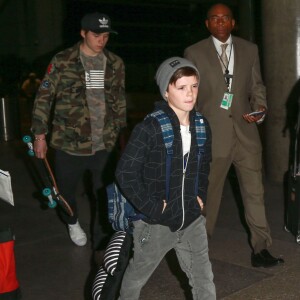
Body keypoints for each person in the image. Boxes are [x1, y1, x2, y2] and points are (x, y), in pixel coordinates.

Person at [184, 3, 284, 268]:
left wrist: (260, 109)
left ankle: (261, 248)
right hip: (212, 136)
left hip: (246, 133)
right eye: (214, 19)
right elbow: (188, 96)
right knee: (208, 196)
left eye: (224, 18)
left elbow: (256, 85)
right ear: (207, 24)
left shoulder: (249, 50)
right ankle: (198, 249)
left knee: (255, 194)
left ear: (233, 22)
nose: (219, 22)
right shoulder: (194, 52)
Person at [116, 57, 216, 300]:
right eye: (181, 87)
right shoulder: (149, 128)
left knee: (203, 280)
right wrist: (151, 207)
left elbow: (204, 166)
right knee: (136, 277)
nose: (190, 94)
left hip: (192, 219)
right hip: (156, 224)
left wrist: (200, 196)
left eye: (194, 86)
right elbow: (125, 172)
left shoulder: (201, 124)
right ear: (166, 91)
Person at [31, 12, 126, 248]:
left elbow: (119, 101)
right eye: (96, 35)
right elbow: (44, 97)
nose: (101, 40)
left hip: (104, 143)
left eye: (105, 35)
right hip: (68, 143)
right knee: (65, 193)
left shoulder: (115, 63)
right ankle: (72, 221)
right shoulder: (63, 60)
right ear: (83, 33)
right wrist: (39, 135)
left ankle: (101, 241)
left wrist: (121, 136)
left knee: (103, 194)